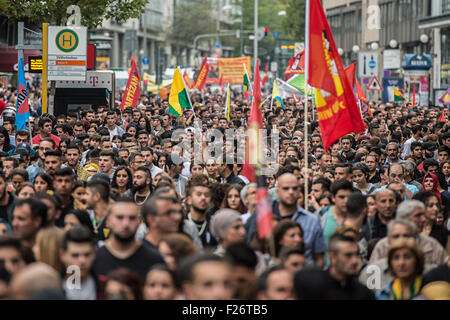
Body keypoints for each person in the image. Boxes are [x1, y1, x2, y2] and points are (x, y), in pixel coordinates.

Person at [246, 173, 326, 268]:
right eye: (286, 188)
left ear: (299, 191)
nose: (291, 192)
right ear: (277, 191)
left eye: (294, 188)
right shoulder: (263, 217)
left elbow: (319, 258)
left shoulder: (312, 221)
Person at [92, 198, 165, 283]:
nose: (126, 224)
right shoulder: (93, 258)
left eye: (132, 218)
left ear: (139, 221)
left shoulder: (155, 259)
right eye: (120, 217)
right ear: (108, 221)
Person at [83, 179, 110, 244]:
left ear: (97, 197)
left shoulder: (115, 219)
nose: (83, 197)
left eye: (87, 194)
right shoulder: (86, 216)